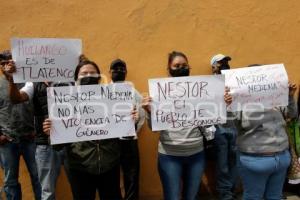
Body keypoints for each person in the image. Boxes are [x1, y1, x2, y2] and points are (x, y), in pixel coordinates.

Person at [43, 56, 139, 200]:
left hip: (110, 166)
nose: (89, 76)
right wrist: (51, 132)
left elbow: (126, 135)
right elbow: (58, 147)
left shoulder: (114, 97)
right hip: (79, 168)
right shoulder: (63, 103)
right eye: (84, 73)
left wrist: (132, 120)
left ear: (99, 77)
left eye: (93, 73)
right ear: (76, 79)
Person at [142, 51, 232, 200]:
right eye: (176, 65)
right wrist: (149, 112)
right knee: (172, 196)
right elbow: (153, 128)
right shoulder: (160, 93)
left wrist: (224, 104)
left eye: (184, 65)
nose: (180, 68)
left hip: (196, 154)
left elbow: (212, 120)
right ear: (169, 68)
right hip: (169, 156)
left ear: (189, 67)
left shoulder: (201, 91)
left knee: (191, 196)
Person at [3, 52, 71, 200]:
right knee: (46, 191)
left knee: (80, 187)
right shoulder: (32, 84)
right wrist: (11, 80)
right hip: (45, 146)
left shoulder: (70, 82)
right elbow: (16, 98)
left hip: (71, 146)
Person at [229, 65, 298, 200]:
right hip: (254, 161)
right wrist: (229, 105)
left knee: (275, 196)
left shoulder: (277, 99)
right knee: (253, 196)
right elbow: (233, 125)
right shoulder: (241, 103)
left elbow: (292, 114)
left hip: (281, 159)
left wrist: (289, 96)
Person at [0, 50, 41, 200]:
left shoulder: (29, 82)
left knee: (38, 177)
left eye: (9, 62)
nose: (6, 66)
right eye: (3, 64)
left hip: (31, 138)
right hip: (7, 141)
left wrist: (38, 130)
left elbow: (40, 106)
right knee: (10, 181)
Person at [109, 59, 145, 200]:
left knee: (132, 175)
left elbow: (141, 113)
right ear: (110, 72)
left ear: (126, 72)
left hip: (129, 140)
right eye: (115, 69)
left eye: (122, 69)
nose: (119, 71)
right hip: (111, 142)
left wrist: (135, 127)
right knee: (112, 178)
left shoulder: (132, 91)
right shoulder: (103, 91)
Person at [210, 54, 238, 200]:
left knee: (234, 161)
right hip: (219, 128)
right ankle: (225, 194)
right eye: (220, 63)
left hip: (234, 126)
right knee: (222, 164)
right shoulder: (208, 84)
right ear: (213, 66)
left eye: (226, 62)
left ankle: (232, 190)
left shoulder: (235, 82)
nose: (224, 65)